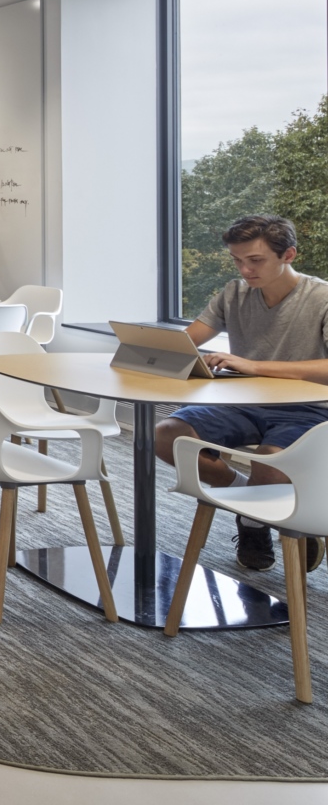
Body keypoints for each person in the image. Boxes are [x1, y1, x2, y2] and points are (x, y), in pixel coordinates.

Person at [153, 215, 328, 572]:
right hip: (241, 402)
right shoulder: (234, 293)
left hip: (306, 408)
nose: (245, 270)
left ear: (288, 255)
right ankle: (252, 502)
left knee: (271, 465)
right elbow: (186, 341)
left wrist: (253, 365)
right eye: (237, 260)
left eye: (255, 260)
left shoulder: (321, 298)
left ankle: (255, 521)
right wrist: (152, 350)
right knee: (166, 436)